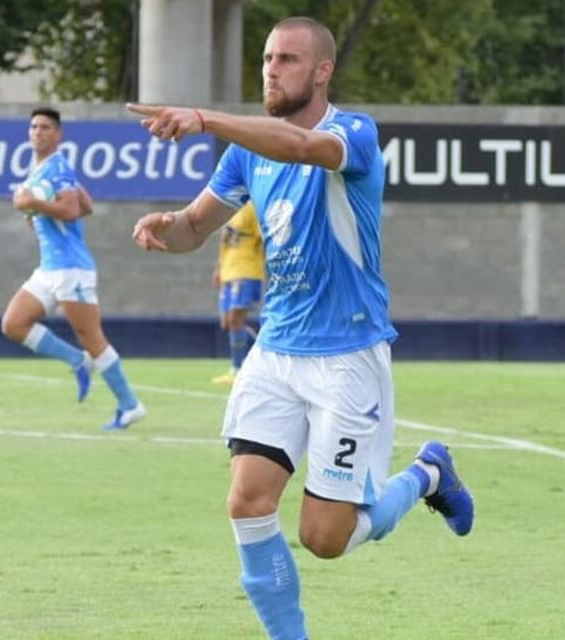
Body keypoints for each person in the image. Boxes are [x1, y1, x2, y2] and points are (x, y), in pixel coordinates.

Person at [128, 17, 474, 640]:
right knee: (247, 502)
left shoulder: (354, 134)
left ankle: (428, 472)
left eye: (287, 59)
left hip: (347, 356)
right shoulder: (246, 154)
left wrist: (204, 118)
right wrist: (168, 227)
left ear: (322, 71)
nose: (271, 69)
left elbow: (300, 147)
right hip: (276, 352)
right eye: (267, 58)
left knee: (324, 538)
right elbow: (196, 227)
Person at [1, 107, 146, 431]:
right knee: (13, 324)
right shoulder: (40, 168)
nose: (38, 132)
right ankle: (77, 360)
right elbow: (87, 205)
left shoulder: (58, 166)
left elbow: (70, 210)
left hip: (71, 269)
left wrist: (33, 204)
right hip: (49, 268)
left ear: (58, 134)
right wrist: (36, 213)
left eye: (45, 127)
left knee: (92, 337)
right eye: (34, 127)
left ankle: (130, 405)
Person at [211, 202, 265, 386]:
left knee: (236, 319)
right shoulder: (230, 208)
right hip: (228, 271)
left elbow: (265, 238)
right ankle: (261, 351)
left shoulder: (253, 207)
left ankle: (237, 369)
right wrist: (218, 269)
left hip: (246, 270)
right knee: (228, 323)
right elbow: (225, 242)